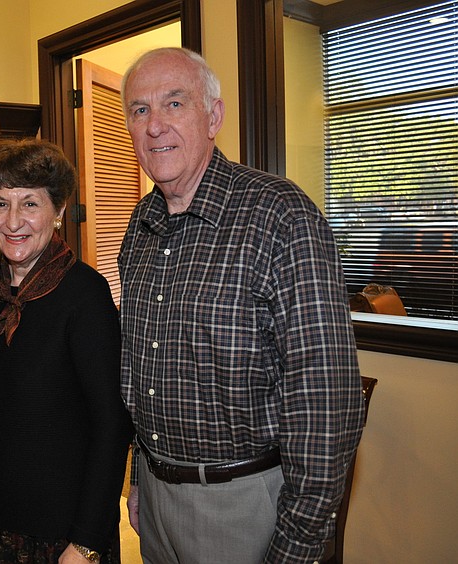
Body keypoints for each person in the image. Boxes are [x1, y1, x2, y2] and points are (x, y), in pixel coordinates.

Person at [118, 47, 366, 563]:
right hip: (156, 502)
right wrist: (140, 477)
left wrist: (298, 543)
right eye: (139, 110)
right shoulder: (139, 227)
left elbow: (324, 399)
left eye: (174, 104)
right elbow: (141, 371)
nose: (155, 125)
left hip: (244, 507)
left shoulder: (281, 215)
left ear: (214, 116)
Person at [0, 139, 133, 564]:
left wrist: (87, 541)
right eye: (0, 204)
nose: (13, 221)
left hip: (63, 532)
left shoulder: (84, 293)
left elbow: (112, 422)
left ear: (59, 212)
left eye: (30, 204)